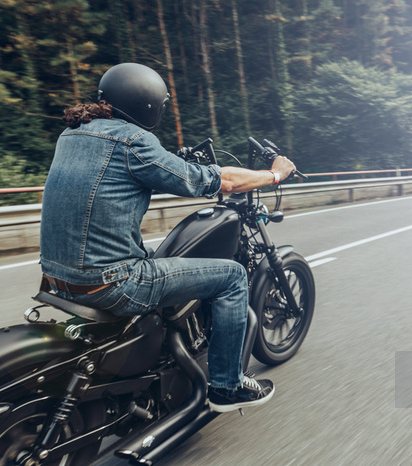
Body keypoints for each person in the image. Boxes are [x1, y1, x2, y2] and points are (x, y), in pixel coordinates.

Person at [39, 63, 296, 413]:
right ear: (149, 105)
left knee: (156, 253)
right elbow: (224, 182)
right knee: (233, 277)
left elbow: (125, 172)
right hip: (111, 281)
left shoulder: (73, 134)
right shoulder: (135, 141)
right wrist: (274, 175)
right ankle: (227, 385)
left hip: (56, 276)